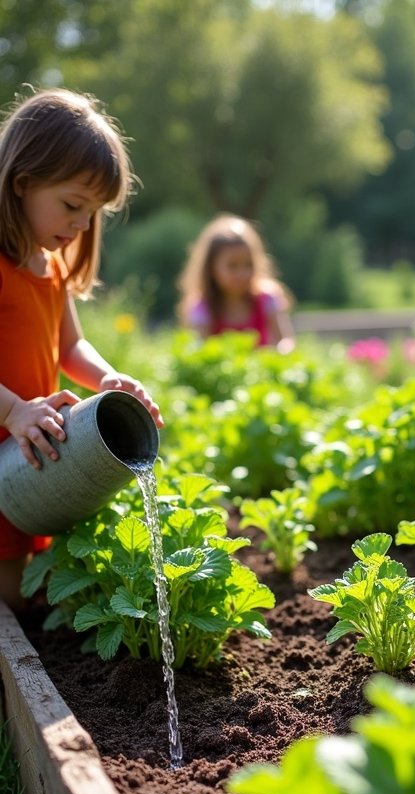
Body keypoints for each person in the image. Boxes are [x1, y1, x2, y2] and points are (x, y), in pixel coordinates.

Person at [0, 87, 163, 610]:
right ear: (22, 183)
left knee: (28, 592)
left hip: (33, 454)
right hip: (10, 448)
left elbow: (71, 344)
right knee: (9, 601)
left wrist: (108, 378)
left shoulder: (53, 269)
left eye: (92, 214)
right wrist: (14, 410)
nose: (80, 226)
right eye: (72, 206)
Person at [177, 214, 295, 352]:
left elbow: (287, 341)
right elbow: (199, 350)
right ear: (210, 268)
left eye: (248, 265)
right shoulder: (202, 308)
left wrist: (280, 352)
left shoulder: (267, 298)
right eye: (232, 266)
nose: (242, 273)